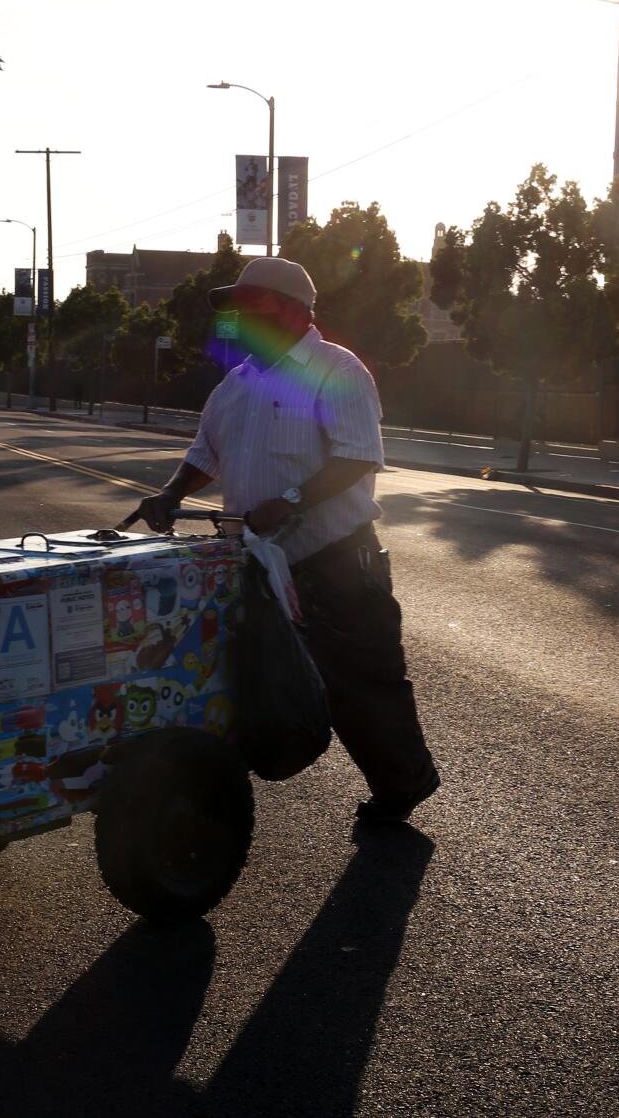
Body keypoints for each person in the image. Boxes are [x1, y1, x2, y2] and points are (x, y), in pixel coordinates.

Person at [126, 257, 439, 824]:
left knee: (363, 684)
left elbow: (356, 457)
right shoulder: (237, 383)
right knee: (269, 678)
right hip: (260, 566)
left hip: (337, 561)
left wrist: (290, 502)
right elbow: (204, 456)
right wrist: (171, 494)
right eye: (236, 310)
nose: (241, 319)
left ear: (295, 311)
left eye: (254, 306)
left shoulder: (335, 370)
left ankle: (405, 783)